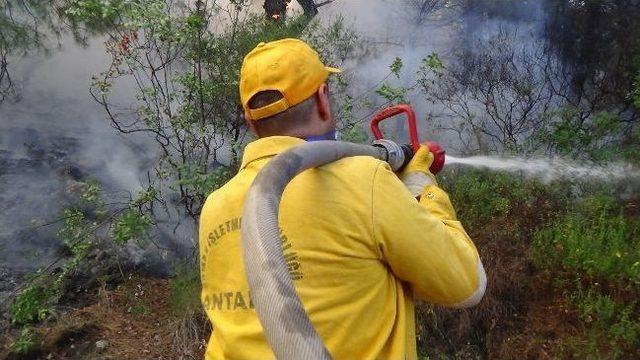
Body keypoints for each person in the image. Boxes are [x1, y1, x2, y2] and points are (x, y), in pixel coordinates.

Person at [198, 38, 486, 360]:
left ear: (251, 123)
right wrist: (421, 185)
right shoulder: (366, 181)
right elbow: (468, 284)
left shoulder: (215, 206)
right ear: (323, 99)